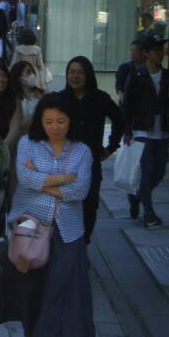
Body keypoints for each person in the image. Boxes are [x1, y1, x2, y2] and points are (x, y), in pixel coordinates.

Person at [0, 93, 95, 337]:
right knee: (32, 287)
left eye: (61, 121)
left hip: (68, 230)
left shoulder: (83, 151)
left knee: (63, 289)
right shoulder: (28, 144)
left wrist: (43, 181)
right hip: (31, 227)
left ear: (71, 121)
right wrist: (64, 179)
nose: (55, 126)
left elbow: (80, 191)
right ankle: (33, 335)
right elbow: (26, 179)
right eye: (48, 121)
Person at [59, 56, 124, 242]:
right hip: (64, 164)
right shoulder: (59, 100)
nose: (75, 76)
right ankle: (68, 246)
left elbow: (119, 120)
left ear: (88, 75)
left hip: (90, 163)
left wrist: (111, 147)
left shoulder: (100, 98)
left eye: (80, 72)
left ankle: (82, 244)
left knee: (89, 206)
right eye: (71, 72)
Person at [122, 35, 169, 227]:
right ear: (146, 53)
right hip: (142, 130)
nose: (161, 54)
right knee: (147, 171)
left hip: (161, 130)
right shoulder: (137, 75)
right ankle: (149, 212)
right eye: (157, 50)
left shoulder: (168, 75)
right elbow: (127, 104)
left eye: (162, 50)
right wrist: (127, 130)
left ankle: (138, 196)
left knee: (159, 172)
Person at [10, 60, 44, 134]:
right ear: (19, 77)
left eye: (33, 72)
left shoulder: (41, 94)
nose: (32, 75)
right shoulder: (13, 99)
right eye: (28, 72)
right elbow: (19, 125)